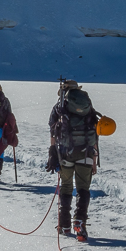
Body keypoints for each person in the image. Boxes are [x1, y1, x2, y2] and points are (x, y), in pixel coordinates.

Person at [49, 84, 104, 241]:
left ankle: (64, 225)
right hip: (86, 153)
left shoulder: (59, 107)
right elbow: (94, 132)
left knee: (66, 187)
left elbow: (53, 131)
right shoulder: (87, 106)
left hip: (66, 154)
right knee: (83, 189)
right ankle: (80, 222)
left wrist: (53, 152)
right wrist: (94, 160)